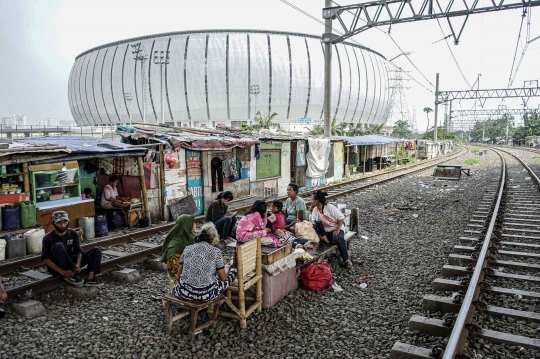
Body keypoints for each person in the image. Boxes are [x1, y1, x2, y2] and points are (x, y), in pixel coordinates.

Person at [171, 223, 237, 309]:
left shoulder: (187, 248)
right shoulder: (215, 252)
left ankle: (177, 308)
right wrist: (227, 268)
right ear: (213, 239)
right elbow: (223, 278)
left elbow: (178, 276)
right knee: (232, 272)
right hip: (205, 295)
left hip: (183, 292)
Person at [41, 211, 104, 286]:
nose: (63, 225)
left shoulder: (72, 233)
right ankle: (69, 275)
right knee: (59, 245)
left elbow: (78, 251)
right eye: (59, 223)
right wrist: (62, 272)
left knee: (97, 250)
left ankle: (90, 278)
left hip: (71, 263)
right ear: (53, 223)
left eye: (65, 222)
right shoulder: (48, 238)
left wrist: (77, 264)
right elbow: (46, 259)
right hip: (58, 265)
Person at [310, 190, 352, 268]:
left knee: (338, 238)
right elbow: (314, 225)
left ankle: (346, 259)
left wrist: (337, 230)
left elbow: (341, 218)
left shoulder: (329, 207)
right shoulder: (315, 211)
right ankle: (323, 237)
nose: (311, 201)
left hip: (335, 229)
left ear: (318, 200)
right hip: (324, 231)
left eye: (312, 199)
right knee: (314, 232)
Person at [161, 214, 196, 280]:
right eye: (191, 223)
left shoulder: (189, 238)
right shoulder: (175, 249)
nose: (194, 224)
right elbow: (178, 274)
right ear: (186, 226)